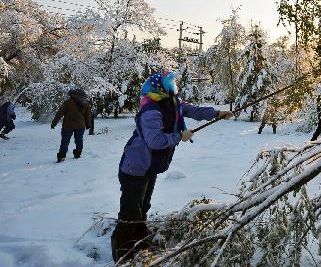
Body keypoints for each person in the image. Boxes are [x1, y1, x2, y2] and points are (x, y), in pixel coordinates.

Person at [111, 71, 233, 262]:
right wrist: (179, 137)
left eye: (173, 83)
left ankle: (140, 243)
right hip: (135, 167)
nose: (174, 87)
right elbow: (154, 141)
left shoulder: (171, 102)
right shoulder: (151, 110)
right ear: (160, 87)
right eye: (171, 84)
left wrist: (217, 113)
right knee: (130, 211)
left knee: (143, 207)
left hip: (148, 166)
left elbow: (193, 110)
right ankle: (122, 252)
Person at [51, 88, 92, 162]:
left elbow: (59, 113)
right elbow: (88, 115)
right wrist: (88, 124)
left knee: (65, 141)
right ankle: (78, 153)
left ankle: (61, 156)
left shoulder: (67, 102)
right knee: (79, 140)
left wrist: (54, 123)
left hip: (68, 125)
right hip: (80, 125)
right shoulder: (86, 103)